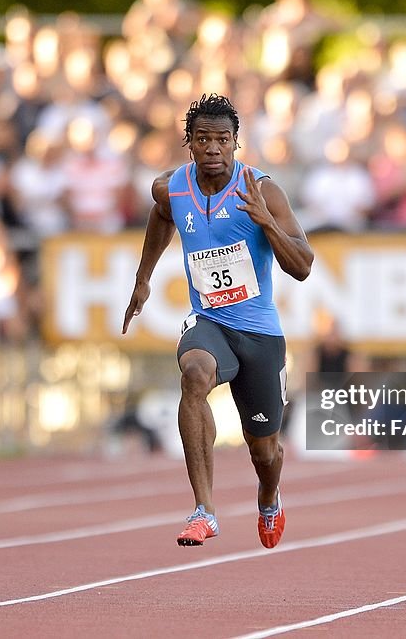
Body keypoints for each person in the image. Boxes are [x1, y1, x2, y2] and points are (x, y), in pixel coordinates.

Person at [123, 93, 313, 548]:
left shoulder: (261, 189)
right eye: (203, 139)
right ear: (188, 143)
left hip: (260, 333)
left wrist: (266, 222)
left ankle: (269, 497)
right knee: (194, 375)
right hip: (208, 321)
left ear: (236, 144)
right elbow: (160, 217)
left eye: (222, 140)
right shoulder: (171, 187)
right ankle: (204, 509)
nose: (212, 148)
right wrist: (143, 279)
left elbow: (303, 265)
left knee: (264, 451)